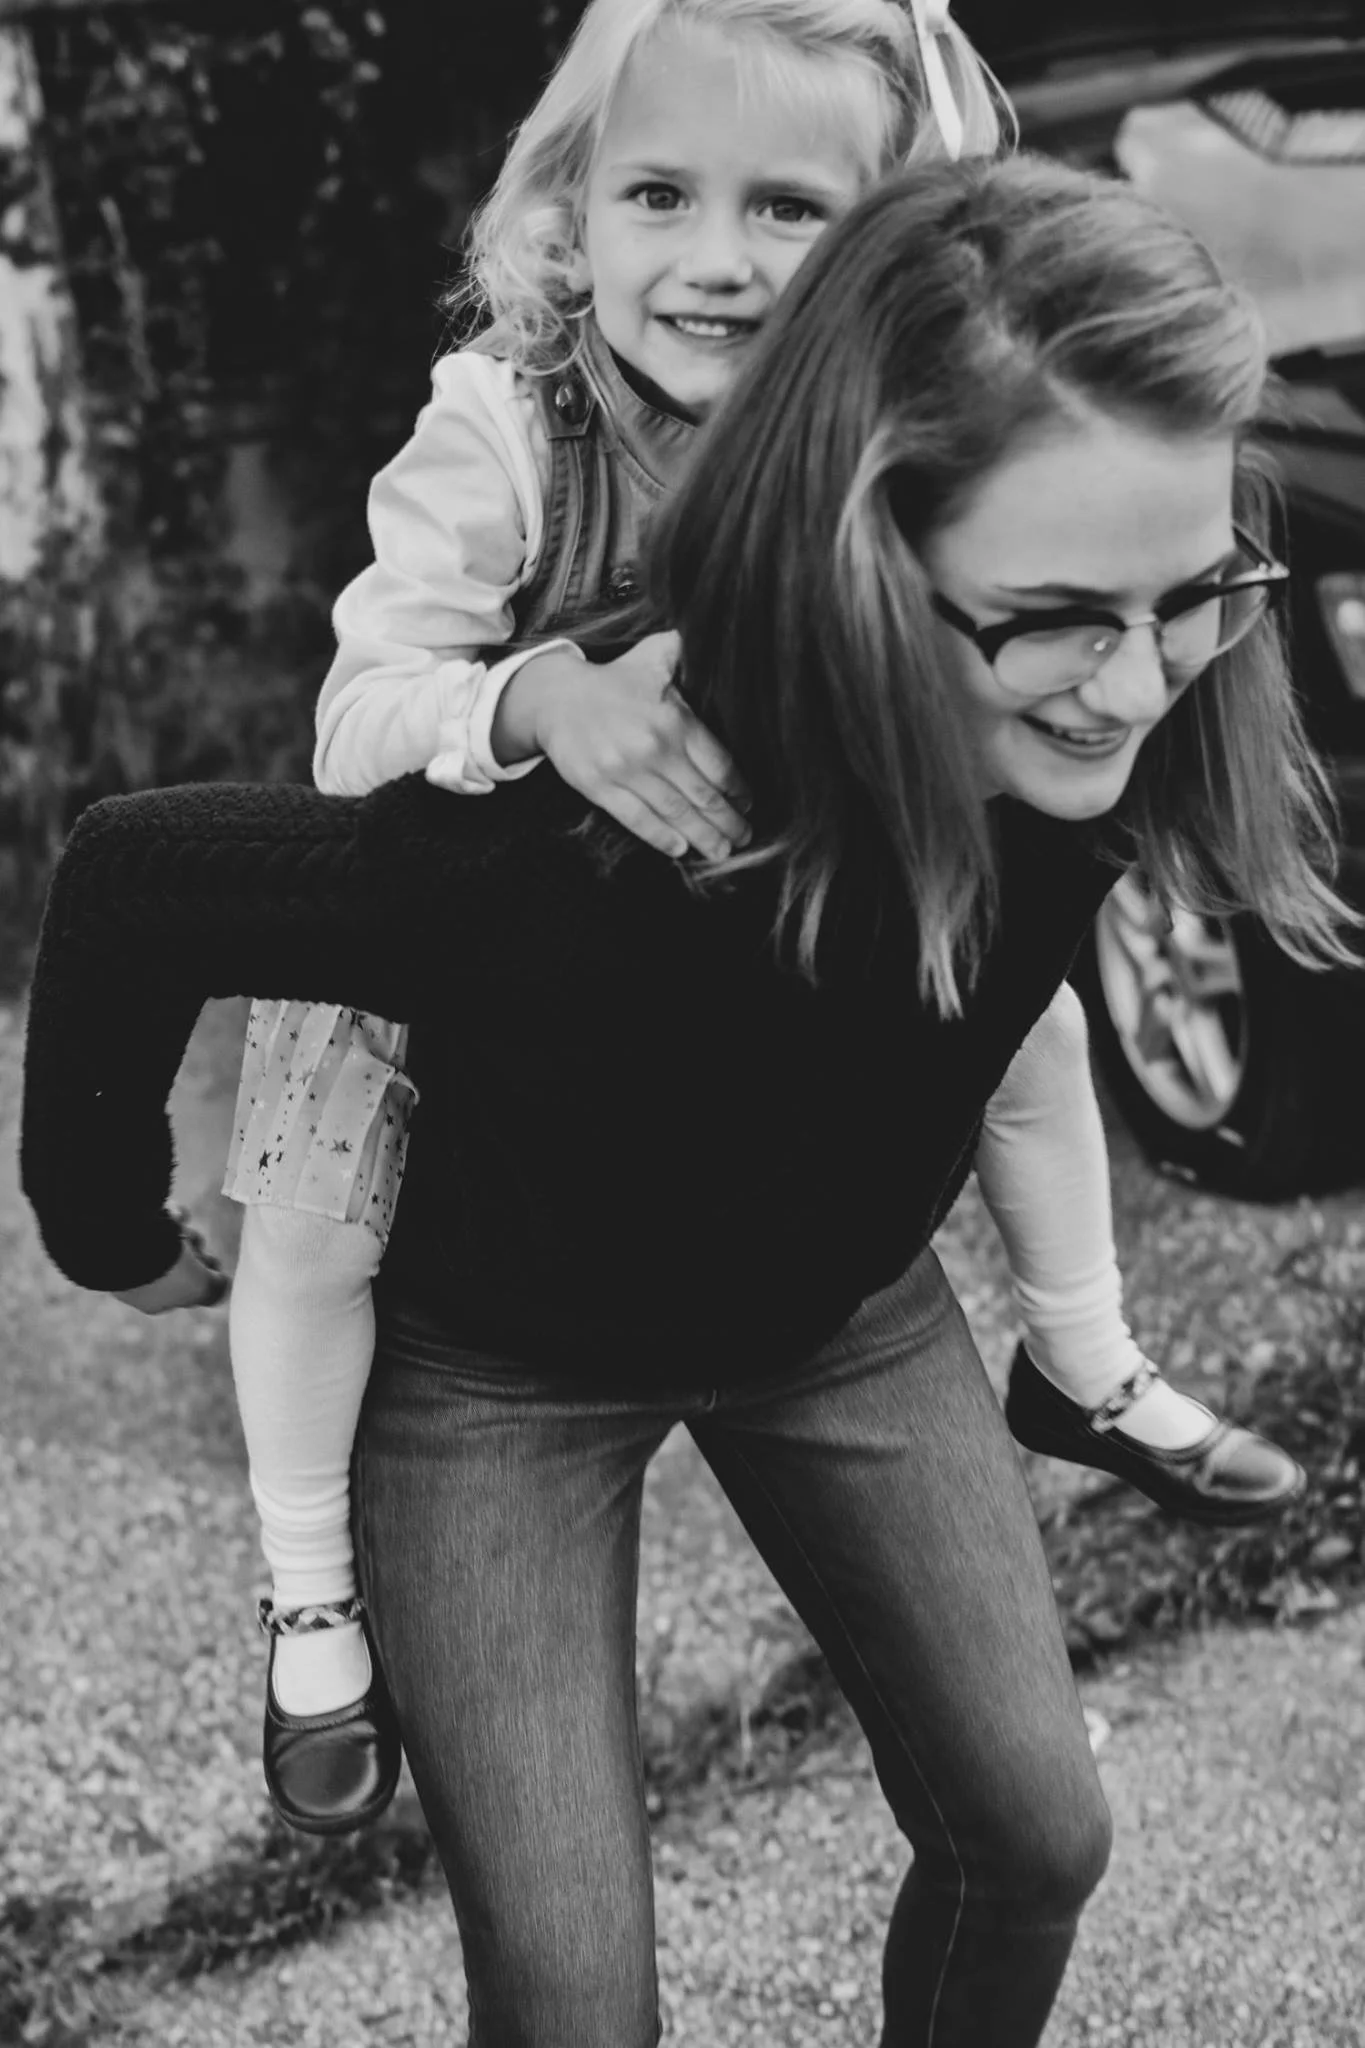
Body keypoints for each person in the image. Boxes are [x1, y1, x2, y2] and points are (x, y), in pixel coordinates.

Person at [22, 151, 1354, 2046]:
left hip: (845, 1318)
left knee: (1039, 1835)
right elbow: (136, 877)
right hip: (502, 1376)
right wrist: (109, 1224)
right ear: (859, 552)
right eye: (1058, 615)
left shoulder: (1124, 707)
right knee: (574, 2006)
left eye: (1192, 595)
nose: (1133, 684)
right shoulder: (602, 827)